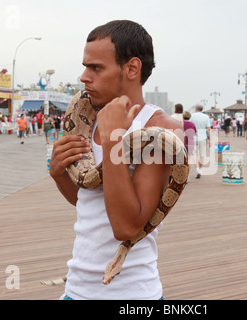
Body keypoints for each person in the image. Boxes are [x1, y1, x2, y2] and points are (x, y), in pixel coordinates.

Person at [49, 20, 182, 300]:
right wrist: (59, 172)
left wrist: (113, 141)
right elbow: (86, 201)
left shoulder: (161, 129)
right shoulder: (90, 119)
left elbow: (126, 227)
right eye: (85, 66)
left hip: (131, 293)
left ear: (132, 68)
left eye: (95, 68)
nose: (84, 77)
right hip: (75, 288)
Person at [189, 104, 211, 179]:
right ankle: (200, 170)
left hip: (193, 137)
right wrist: (210, 140)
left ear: (196, 109)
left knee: (195, 155)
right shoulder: (206, 117)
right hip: (203, 137)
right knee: (202, 155)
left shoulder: (192, 116)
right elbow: (209, 129)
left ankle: (197, 169)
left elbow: (189, 126)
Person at [183, 111, 196, 183]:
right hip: (190, 143)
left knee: (182, 160)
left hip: (182, 143)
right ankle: (187, 176)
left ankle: (182, 176)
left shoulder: (180, 124)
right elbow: (194, 133)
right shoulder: (192, 124)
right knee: (188, 161)